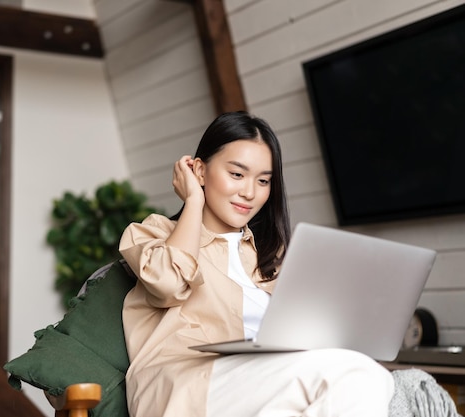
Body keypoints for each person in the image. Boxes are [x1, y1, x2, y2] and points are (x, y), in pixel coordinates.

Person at [118, 111, 395, 416]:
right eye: (237, 174)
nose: (250, 192)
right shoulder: (153, 233)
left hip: (265, 379)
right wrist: (194, 201)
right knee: (357, 375)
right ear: (198, 171)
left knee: (374, 377)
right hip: (188, 385)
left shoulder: (269, 255)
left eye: (263, 181)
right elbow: (168, 285)